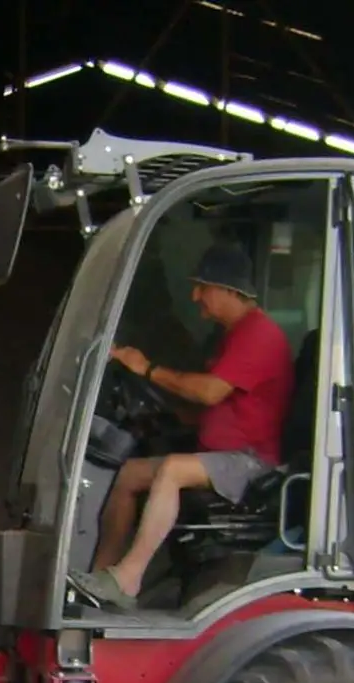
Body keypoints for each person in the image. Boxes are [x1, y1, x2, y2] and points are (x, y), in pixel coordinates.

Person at [69, 243, 294, 609]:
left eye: (202, 287)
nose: (195, 296)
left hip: (252, 461)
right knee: (130, 474)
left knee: (173, 470)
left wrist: (147, 369)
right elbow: (217, 407)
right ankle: (102, 576)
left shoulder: (259, 335)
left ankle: (128, 579)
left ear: (227, 288)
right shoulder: (233, 334)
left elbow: (208, 392)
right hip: (223, 453)